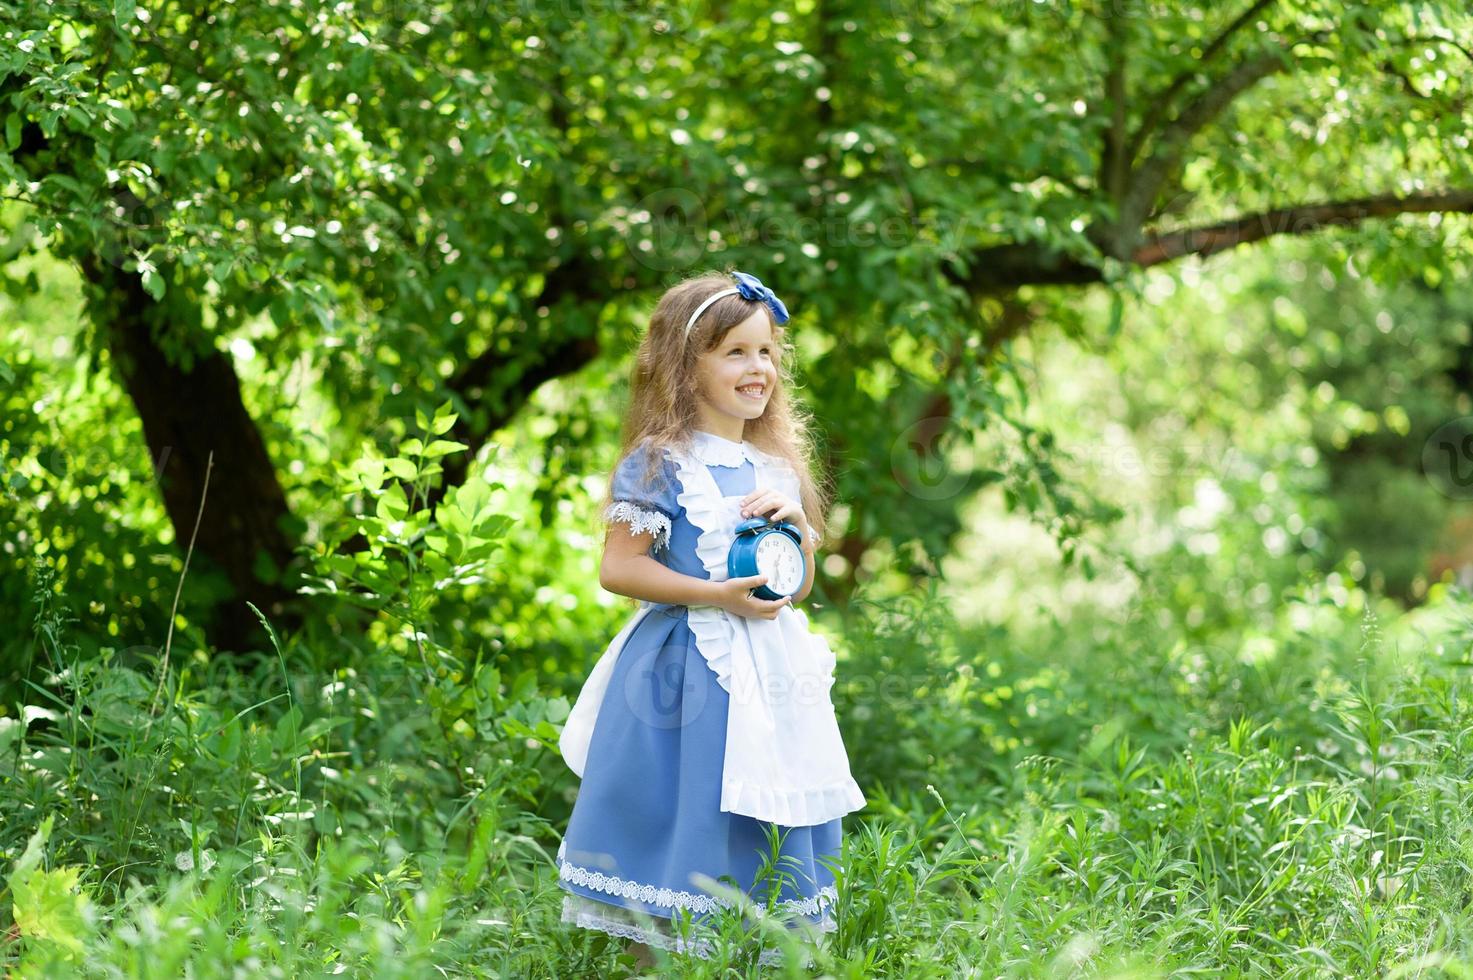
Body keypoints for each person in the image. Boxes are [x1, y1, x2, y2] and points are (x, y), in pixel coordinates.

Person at [555, 269, 866, 969]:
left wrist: (800, 535)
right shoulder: (660, 462)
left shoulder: (773, 466)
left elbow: (795, 587)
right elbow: (619, 568)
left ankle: (750, 952)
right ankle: (660, 958)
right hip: (685, 673)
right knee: (688, 809)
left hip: (770, 671)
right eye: (734, 352)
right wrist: (712, 593)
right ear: (685, 366)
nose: (756, 368)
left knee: (761, 811)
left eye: (765, 353)